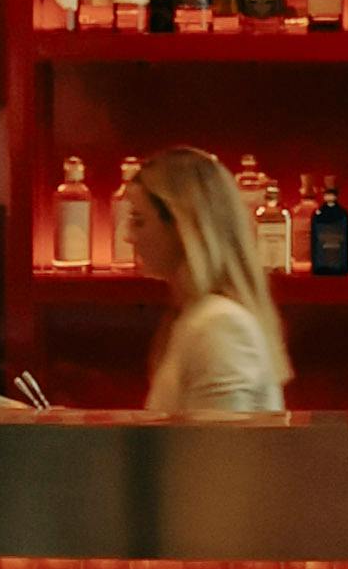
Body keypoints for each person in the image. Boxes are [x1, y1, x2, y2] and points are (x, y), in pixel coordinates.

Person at [121, 144, 290, 419]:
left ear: (182, 227)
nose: (128, 236)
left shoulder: (219, 325)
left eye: (138, 221)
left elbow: (218, 453)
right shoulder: (198, 317)